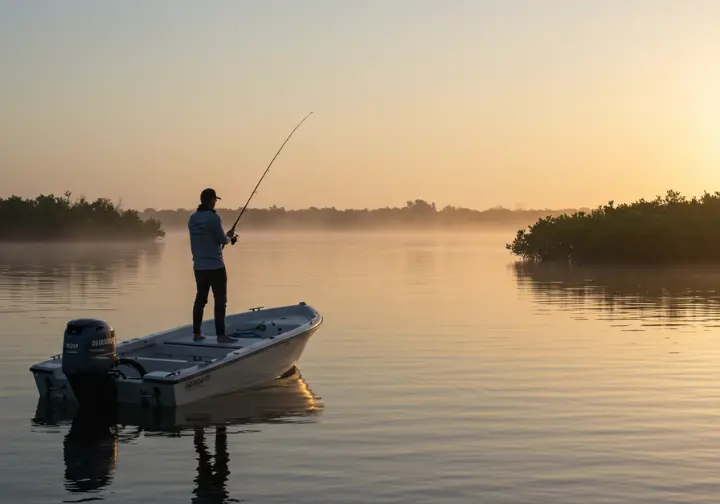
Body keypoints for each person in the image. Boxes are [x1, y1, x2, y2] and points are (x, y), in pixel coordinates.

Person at [188, 188, 238, 342]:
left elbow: (206, 239)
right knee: (220, 300)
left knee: (200, 299)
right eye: (215, 199)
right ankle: (221, 336)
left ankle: (197, 334)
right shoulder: (213, 218)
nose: (215, 202)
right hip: (216, 266)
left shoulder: (192, 219)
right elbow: (222, 240)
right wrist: (230, 237)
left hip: (199, 267)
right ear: (210, 200)